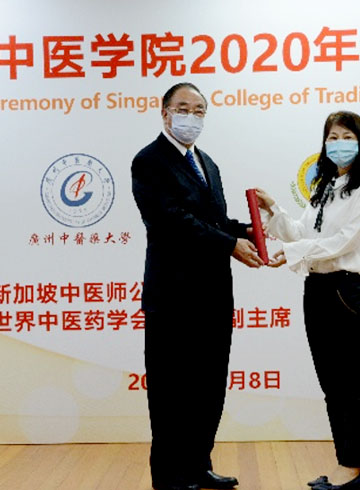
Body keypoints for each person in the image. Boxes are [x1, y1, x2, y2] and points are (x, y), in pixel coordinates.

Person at [131, 82, 264, 490]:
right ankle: (169, 476)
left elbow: (214, 221)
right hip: (172, 297)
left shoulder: (207, 163)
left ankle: (197, 465)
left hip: (213, 295)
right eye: (183, 108)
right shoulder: (149, 161)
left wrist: (251, 232)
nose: (192, 117)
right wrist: (229, 244)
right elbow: (172, 221)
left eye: (200, 111)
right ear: (165, 113)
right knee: (172, 390)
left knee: (208, 386)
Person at [255, 111, 360, 490]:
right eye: (332, 137)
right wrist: (274, 210)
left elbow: (346, 240)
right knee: (331, 384)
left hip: (344, 291)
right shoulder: (325, 186)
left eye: (347, 137)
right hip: (316, 288)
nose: (339, 144)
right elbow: (301, 233)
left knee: (347, 382)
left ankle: (352, 468)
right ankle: (344, 463)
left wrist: (295, 253)